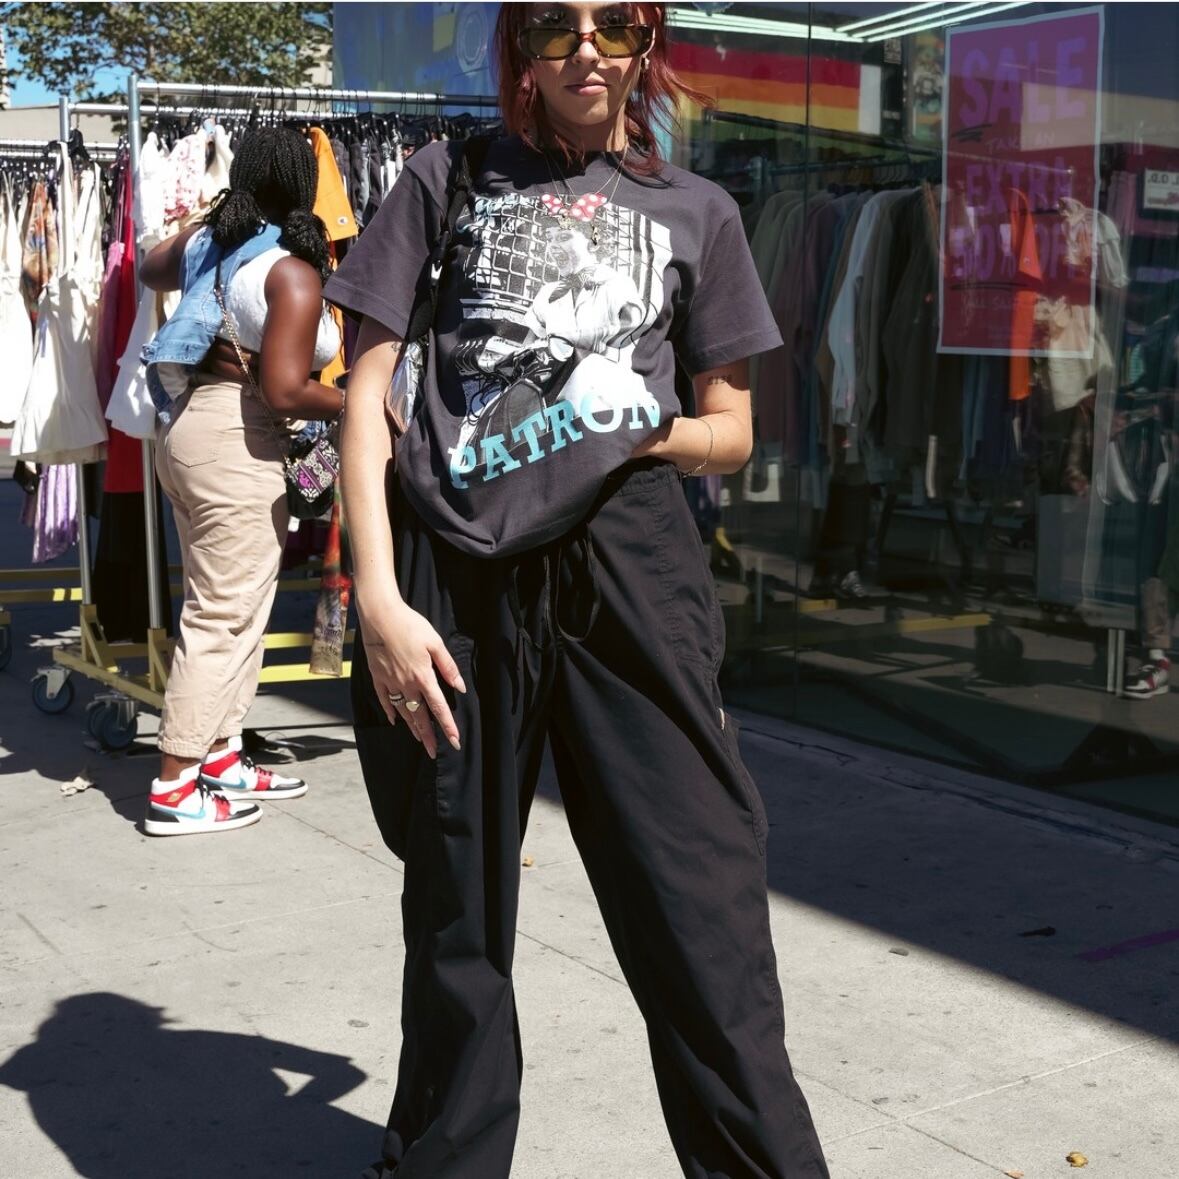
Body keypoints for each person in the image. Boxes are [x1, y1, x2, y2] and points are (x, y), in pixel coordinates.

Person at [327, 3, 830, 1175]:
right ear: (523, 48)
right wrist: (380, 602)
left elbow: (732, 431)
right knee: (457, 920)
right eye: (557, 26)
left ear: (647, 43)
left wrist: (642, 429)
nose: (587, 48)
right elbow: (365, 400)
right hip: (459, 575)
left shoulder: (698, 210)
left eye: (614, 24)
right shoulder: (443, 179)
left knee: (703, 908)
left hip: (631, 564)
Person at [138, 127, 344, 836]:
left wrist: (213, 221)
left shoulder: (213, 246)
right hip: (237, 441)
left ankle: (221, 754)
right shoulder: (290, 272)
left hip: (191, 430)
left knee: (237, 606)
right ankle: (175, 785)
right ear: (304, 187)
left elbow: (149, 267)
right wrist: (358, 401)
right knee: (222, 614)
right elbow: (287, 390)